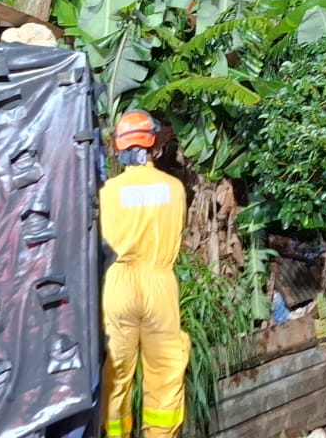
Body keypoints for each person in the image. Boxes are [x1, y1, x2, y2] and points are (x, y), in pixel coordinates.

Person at [99, 110, 189, 438]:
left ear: (120, 148)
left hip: (117, 287)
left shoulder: (107, 193)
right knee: (165, 374)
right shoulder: (175, 189)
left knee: (116, 377)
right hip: (160, 283)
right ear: (152, 144)